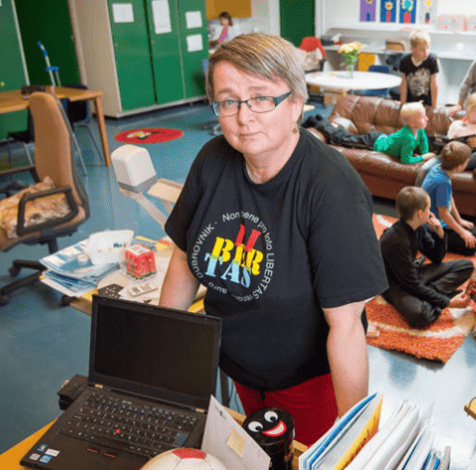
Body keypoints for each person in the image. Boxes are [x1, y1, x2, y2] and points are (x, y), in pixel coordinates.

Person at [159, 34, 388, 447]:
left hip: (307, 383)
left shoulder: (330, 187)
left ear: (296, 103)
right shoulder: (212, 161)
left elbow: (347, 327)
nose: (244, 116)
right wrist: (165, 346)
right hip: (238, 366)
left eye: (262, 97)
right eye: (228, 100)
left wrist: (355, 442)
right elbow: (182, 259)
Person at [380, 187, 474, 328]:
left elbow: (436, 258)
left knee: (467, 266)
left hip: (413, 274)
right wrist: (447, 303)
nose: (430, 212)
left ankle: (430, 294)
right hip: (395, 284)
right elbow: (410, 285)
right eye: (428, 208)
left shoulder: (419, 226)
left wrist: (440, 234)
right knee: (420, 316)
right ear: (419, 213)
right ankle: (438, 296)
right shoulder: (396, 240)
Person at [421, 141, 476, 256]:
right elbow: (443, 214)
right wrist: (462, 232)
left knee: (473, 236)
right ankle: (431, 243)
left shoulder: (438, 168)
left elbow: (449, 198)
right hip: (431, 227)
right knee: (473, 245)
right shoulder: (444, 182)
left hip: (436, 222)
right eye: (467, 162)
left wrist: (459, 220)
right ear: (459, 167)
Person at [399, 29, 440, 108]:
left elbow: (434, 84)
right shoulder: (404, 60)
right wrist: (402, 103)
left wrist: (435, 107)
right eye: (422, 50)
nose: (426, 53)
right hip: (410, 103)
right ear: (412, 48)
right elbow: (403, 83)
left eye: (427, 48)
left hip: (427, 103)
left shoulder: (432, 60)